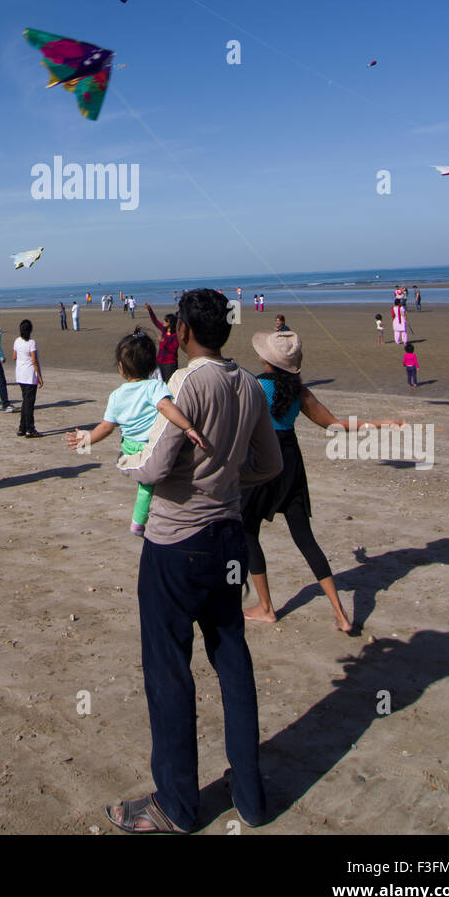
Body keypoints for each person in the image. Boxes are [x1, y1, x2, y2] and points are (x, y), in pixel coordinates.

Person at [102, 289, 283, 835]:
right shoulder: (249, 383)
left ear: (182, 332)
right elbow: (269, 462)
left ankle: (177, 805)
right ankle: (249, 797)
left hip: (177, 543)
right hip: (228, 538)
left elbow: (156, 467)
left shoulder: (185, 383)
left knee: (168, 669)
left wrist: (127, 461)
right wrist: (225, 479)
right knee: (231, 654)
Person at [241, 331, 401, 635]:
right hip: (291, 462)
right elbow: (334, 425)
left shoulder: (257, 386)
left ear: (266, 360)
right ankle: (341, 614)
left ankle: (265, 607)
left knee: (247, 530)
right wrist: (382, 424)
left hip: (263, 461)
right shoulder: (299, 392)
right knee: (305, 538)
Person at [67, 331, 207, 537]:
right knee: (148, 487)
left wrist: (86, 440)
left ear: (121, 367)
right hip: (150, 446)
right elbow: (166, 407)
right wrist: (188, 427)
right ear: (153, 365)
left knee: (148, 485)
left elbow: (106, 427)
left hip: (129, 447)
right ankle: (138, 523)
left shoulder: (116, 395)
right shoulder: (154, 387)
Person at [13, 319, 43, 437]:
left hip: (20, 374)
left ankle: (22, 427)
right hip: (29, 375)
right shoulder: (31, 343)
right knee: (29, 403)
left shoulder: (17, 341)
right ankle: (30, 429)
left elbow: (15, 356)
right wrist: (39, 376)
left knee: (25, 401)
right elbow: (34, 360)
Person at [145, 304, 179, 382]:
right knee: (158, 382)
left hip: (170, 364)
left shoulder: (175, 336)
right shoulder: (164, 330)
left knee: (169, 383)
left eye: (166, 321)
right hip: (159, 361)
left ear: (171, 323)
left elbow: (173, 350)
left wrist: (164, 342)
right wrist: (150, 310)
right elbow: (155, 321)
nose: (164, 322)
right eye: (164, 320)